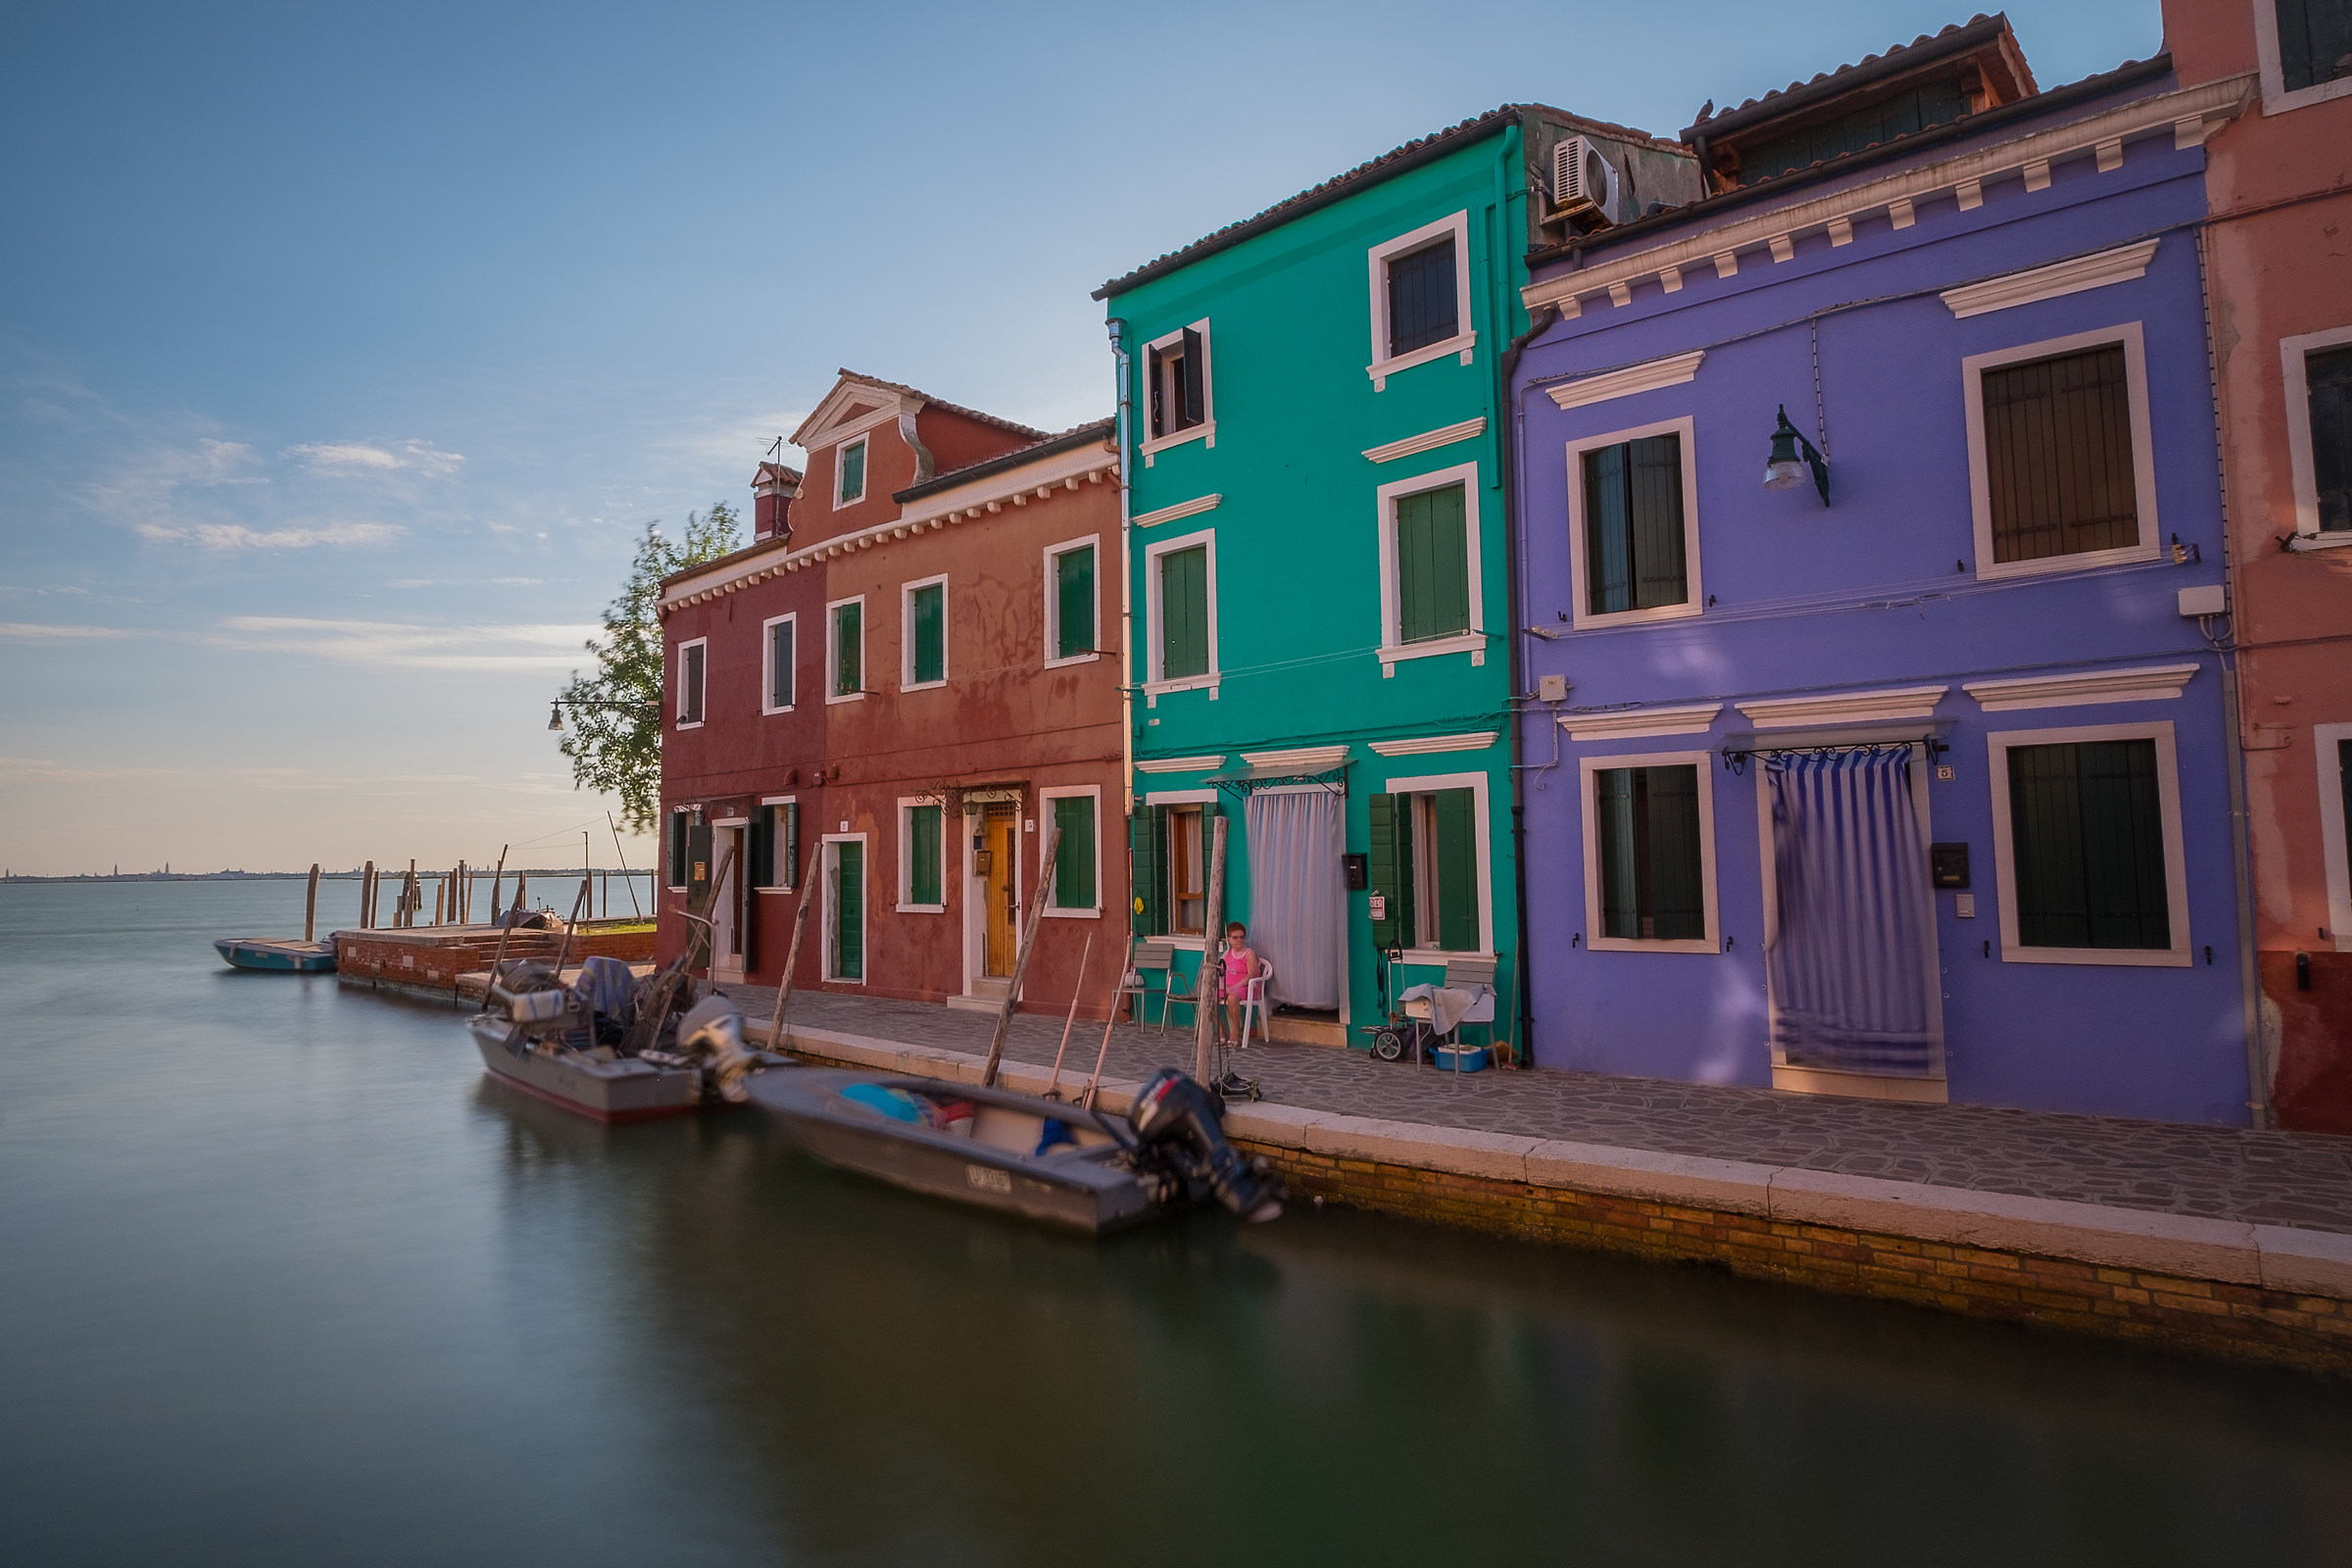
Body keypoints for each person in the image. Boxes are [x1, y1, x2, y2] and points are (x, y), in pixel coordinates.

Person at [1219, 921, 1263, 1047]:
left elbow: (1251, 975)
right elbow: (1220, 972)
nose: (1239, 940)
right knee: (1209, 998)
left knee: (1232, 998)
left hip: (1245, 988)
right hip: (1228, 987)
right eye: (1235, 937)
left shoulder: (1250, 954)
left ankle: (1234, 1033)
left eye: (1241, 937)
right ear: (1229, 939)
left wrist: (1233, 987)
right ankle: (1221, 1030)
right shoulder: (1227, 954)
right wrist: (1223, 986)